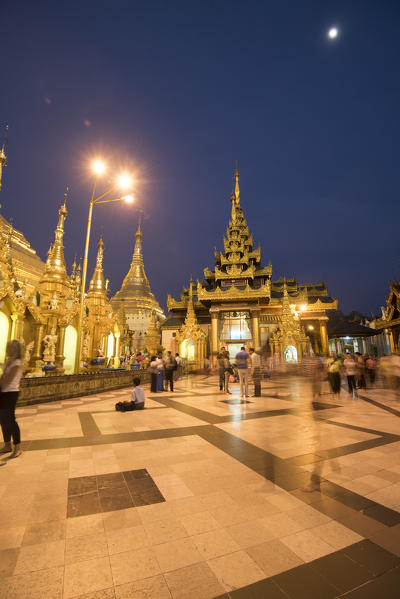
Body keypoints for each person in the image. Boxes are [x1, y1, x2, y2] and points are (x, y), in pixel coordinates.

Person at [0, 340, 23, 458]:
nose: (7, 349)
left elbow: (8, 379)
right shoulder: (9, 361)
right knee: (3, 419)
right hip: (3, 392)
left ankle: (17, 446)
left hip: (11, 393)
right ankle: (7, 444)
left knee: (10, 420)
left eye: (9, 348)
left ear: (15, 349)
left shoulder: (17, 363)